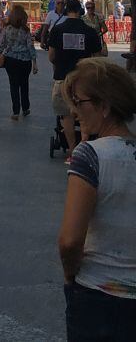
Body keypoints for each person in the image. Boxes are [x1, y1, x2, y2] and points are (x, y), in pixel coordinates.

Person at [57, 58, 136, 341]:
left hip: (100, 295)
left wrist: (70, 275)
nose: (74, 110)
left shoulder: (90, 156)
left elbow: (70, 240)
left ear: (104, 106)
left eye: (79, 102)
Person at [49, 0, 104, 158]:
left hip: (62, 77)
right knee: (84, 112)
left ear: (66, 11)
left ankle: (73, 149)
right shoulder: (90, 30)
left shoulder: (58, 30)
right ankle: (85, 145)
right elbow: (97, 57)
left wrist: (60, 63)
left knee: (66, 114)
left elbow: (51, 56)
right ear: (80, 11)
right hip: (84, 78)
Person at [0, 4, 37, 119]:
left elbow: (2, 43)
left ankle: (15, 111)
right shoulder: (26, 30)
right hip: (25, 61)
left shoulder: (7, 29)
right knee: (24, 84)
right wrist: (34, 62)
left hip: (11, 60)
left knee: (13, 85)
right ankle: (25, 108)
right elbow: (30, 46)